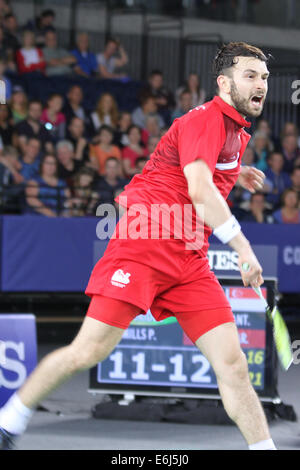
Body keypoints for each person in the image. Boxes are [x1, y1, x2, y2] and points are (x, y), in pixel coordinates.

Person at [0, 42, 277, 452]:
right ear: (223, 82)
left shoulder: (234, 131)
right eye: (250, 75)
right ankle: (9, 421)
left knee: (234, 365)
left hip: (188, 257)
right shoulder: (205, 119)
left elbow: (202, 173)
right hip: (144, 244)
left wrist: (238, 171)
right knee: (88, 350)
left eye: (265, 78)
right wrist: (243, 247)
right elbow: (199, 190)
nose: (261, 84)